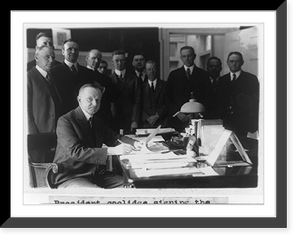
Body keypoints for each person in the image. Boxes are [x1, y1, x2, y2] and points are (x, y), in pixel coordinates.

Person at [52, 84, 142, 188]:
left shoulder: (97, 122)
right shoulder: (65, 121)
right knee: (99, 196)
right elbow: (75, 152)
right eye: (90, 99)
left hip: (96, 175)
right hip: (70, 176)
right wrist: (112, 151)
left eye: (98, 100)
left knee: (131, 186)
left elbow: (115, 138)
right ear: (79, 99)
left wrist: (136, 143)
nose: (95, 104)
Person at [165, 46, 211, 132]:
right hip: (178, 119)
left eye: (189, 55)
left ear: (194, 56)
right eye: (184, 56)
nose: (187, 58)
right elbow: (168, 97)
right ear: (181, 58)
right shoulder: (174, 75)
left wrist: (198, 113)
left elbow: (208, 96)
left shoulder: (204, 74)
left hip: (198, 118)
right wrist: (178, 113)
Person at [51, 39, 95, 114]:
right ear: (63, 52)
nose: (73, 52)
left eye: (76, 49)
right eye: (69, 49)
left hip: (83, 114)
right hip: (62, 114)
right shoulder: (54, 72)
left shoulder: (88, 73)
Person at [221, 51, 259, 137]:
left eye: (237, 61)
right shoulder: (222, 80)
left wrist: (253, 124)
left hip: (244, 124)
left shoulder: (251, 79)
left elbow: (255, 102)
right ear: (227, 62)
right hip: (226, 123)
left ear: (242, 63)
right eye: (231, 61)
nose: (234, 64)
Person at [27, 45, 63, 134]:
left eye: (53, 57)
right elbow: (25, 111)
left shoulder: (54, 77)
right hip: (39, 133)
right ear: (36, 58)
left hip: (57, 132)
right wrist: (32, 135)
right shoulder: (28, 77)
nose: (51, 60)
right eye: (47, 57)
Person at [110, 50, 141, 134]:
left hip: (129, 119)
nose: (119, 63)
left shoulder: (134, 79)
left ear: (126, 61)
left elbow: (137, 101)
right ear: (112, 62)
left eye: (122, 60)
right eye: (117, 61)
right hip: (113, 119)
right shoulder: (108, 79)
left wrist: (135, 120)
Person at [85, 49, 117, 128]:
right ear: (87, 58)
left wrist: (103, 90)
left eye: (98, 59)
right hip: (84, 115)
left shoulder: (105, 79)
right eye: (93, 58)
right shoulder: (80, 74)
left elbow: (113, 97)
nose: (96, 61)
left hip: (101, 115)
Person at [141, 60, 167, 127]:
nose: (151, 71)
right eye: (149, 69)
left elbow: (168, 103)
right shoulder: (141, 87)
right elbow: (138, 104)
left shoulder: (165, 85)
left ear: (157, 70)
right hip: (147, 123)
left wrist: (158, 115)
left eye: (153, 69)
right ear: (145, 71)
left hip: (162, 122)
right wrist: (147, 118)